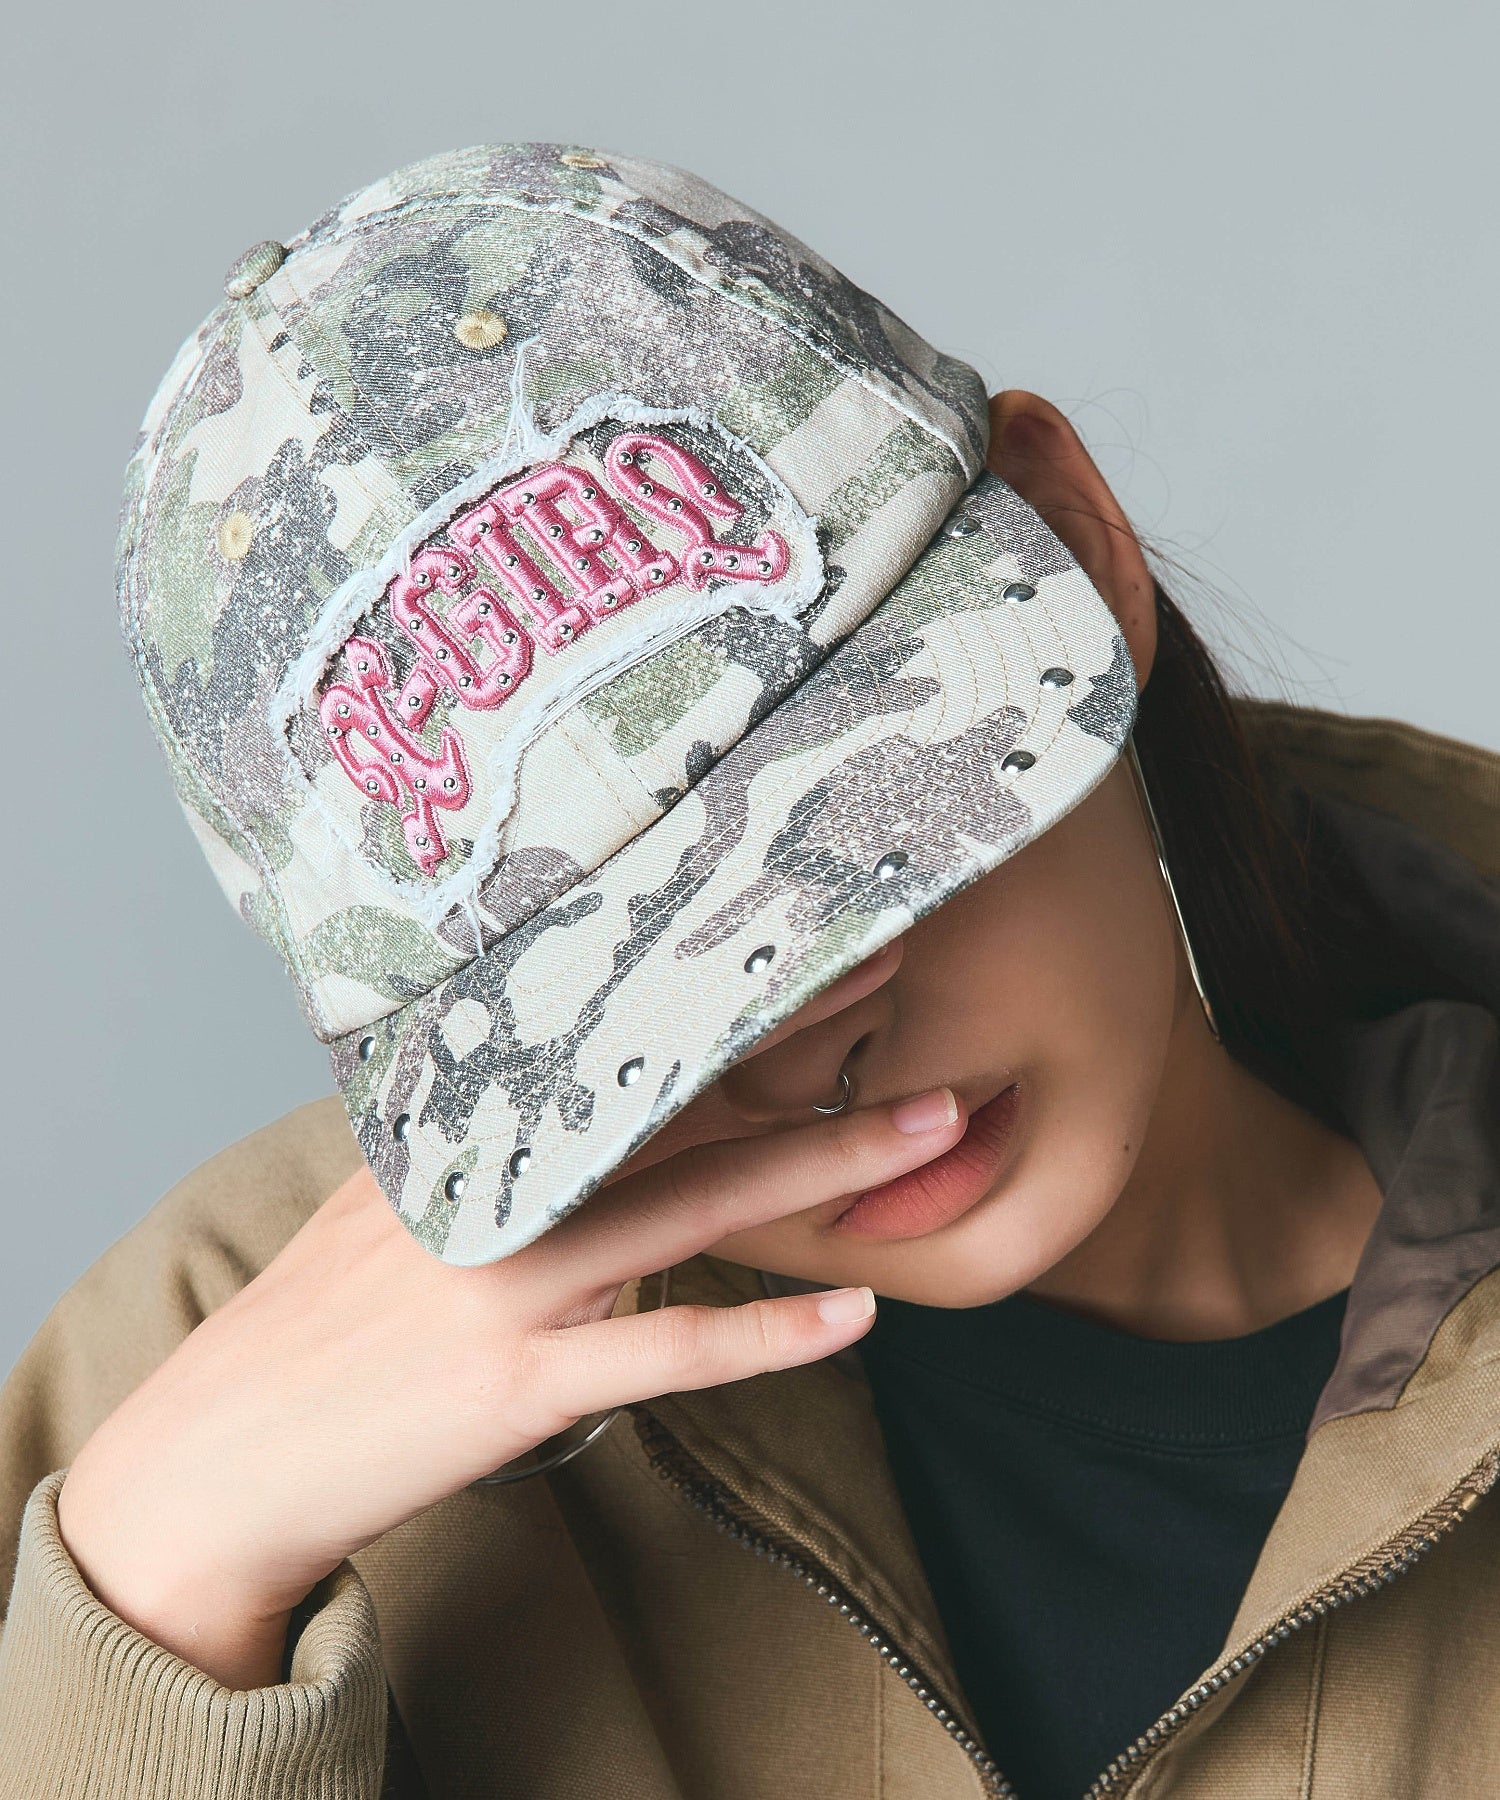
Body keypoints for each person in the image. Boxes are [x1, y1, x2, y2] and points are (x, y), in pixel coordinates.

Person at [1, 144, 1496, 1800]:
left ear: (1079, 543)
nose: (797, 1060)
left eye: (865, 838)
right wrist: (152, 1630)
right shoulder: (195, 1364)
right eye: (604, 1006)